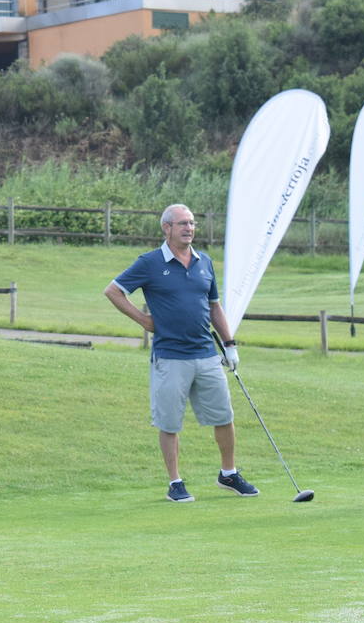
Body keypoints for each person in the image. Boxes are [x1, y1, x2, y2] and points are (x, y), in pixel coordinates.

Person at [103, 203, 260, 503]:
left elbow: (214, 306)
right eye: (182, 223)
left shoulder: (205, 262)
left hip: (206, 354)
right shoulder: (150, 263)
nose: (189, 228)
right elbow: (113, 291)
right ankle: (175, 482)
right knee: (170, 422)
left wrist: (230, 344)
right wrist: (145, 321)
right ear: (166, 228)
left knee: (224, 416)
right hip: (170, 356)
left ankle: (228, 473)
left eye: (191, 223)